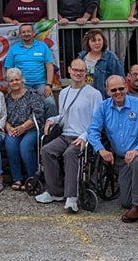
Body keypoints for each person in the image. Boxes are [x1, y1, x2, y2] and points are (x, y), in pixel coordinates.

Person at [82, 75, 138, 221]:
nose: (118, 92)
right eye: (113, 90)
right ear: (108, 91)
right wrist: (100, 149)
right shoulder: (103, 107)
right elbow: (93, 131)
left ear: (126, 88)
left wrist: (137, 150)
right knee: (125, 202)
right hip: (122, 159)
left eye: (121, 88)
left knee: (137, 163)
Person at [34, 59, 102, 212]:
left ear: (86, 73)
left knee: (70, 153)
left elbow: (97, 121)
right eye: (75, 70)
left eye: (81, 71)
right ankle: (55, 192)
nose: (78, 73)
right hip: (66, 135)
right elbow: (63, 116)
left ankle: (72, 197)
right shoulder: (64, 92)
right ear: (70, 71)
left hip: (82, 137)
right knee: (47, 150)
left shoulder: (94, 94)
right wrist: (51, 119)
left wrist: (85, 136)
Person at [3, 23, 56, 120]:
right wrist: (11, 86)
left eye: (28, 31)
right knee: (24, 108)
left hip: (41, 84)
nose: (26, 34)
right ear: (19, 34)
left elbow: (49, 67)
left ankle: (51, 129)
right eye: (23, 32)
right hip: (21, 85)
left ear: (33, 33)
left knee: (50, 103)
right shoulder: (14, 49)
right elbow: (8, 69)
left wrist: (49, 85)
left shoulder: (43, 46)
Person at [4, 68, 44, 191]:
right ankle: (17, 178)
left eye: (17, 79)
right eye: (11, 81)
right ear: (8, 83)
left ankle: (32, 178)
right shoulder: (7, 97)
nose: (14, 82)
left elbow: (37, 114)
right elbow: (2, 115)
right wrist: (9, 127)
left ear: (22, 80)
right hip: (13, 129)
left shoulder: (32, 94)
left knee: (25, 146)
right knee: (10, 144)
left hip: (30, 129)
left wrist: (23, 127)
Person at [78, 29, 124, 97]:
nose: (97, 43)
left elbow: (120, 78)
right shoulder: (81, 57)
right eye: (93, 41)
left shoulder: (111, 57)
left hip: (105, 97)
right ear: (88, 42)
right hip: (85, 96)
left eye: (99, 40)